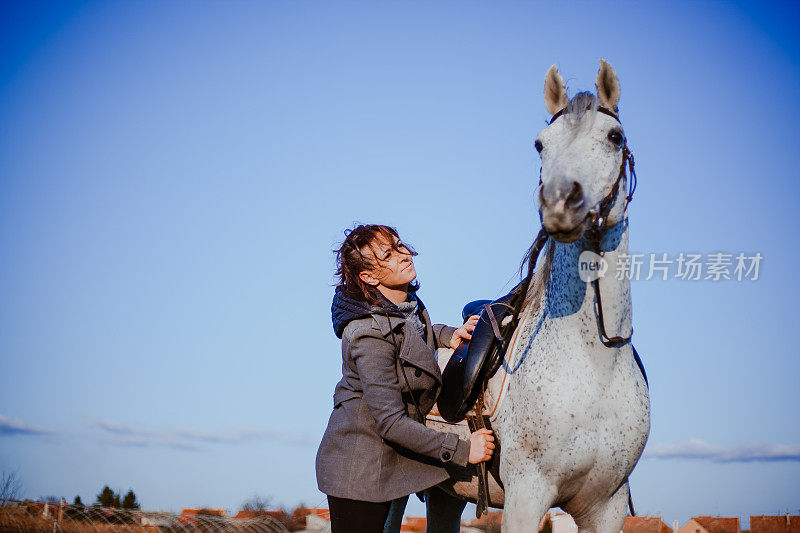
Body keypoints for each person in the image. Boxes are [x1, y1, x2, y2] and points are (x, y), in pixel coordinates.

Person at [315, 224, 494, 533]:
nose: (403, 255)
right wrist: (465, 451)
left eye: (399, 245)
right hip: (360, 473)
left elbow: (413, 337)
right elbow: (391, 423)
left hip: (389, 462)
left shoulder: (405, 308)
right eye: (388, 254)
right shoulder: (367, 334)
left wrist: (449, 335)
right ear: (369, 277)